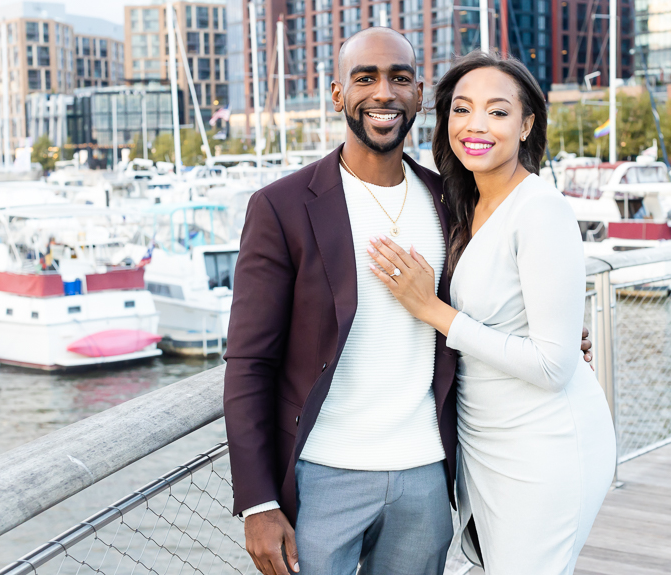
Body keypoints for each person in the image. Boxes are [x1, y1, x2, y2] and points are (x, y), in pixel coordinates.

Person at [224, 29, 593, 575]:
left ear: (420, 94)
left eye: (399, 78)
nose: (383, 93)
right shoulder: (280, 207)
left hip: (428, 476)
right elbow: (250, 362)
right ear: (337, 94)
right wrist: (258, 503)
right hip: (322, 477)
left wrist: (552, 338)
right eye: (365, 78)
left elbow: (492, 301)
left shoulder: (452, 200)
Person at [368, 52, 616, 575]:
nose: (476, 125)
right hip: (483, 441)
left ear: (527, 124)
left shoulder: (540, 209)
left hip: (542, 442)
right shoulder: (462, 203)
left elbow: (553, 365)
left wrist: (431, 309)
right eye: (462, 109)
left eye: (498, 112)